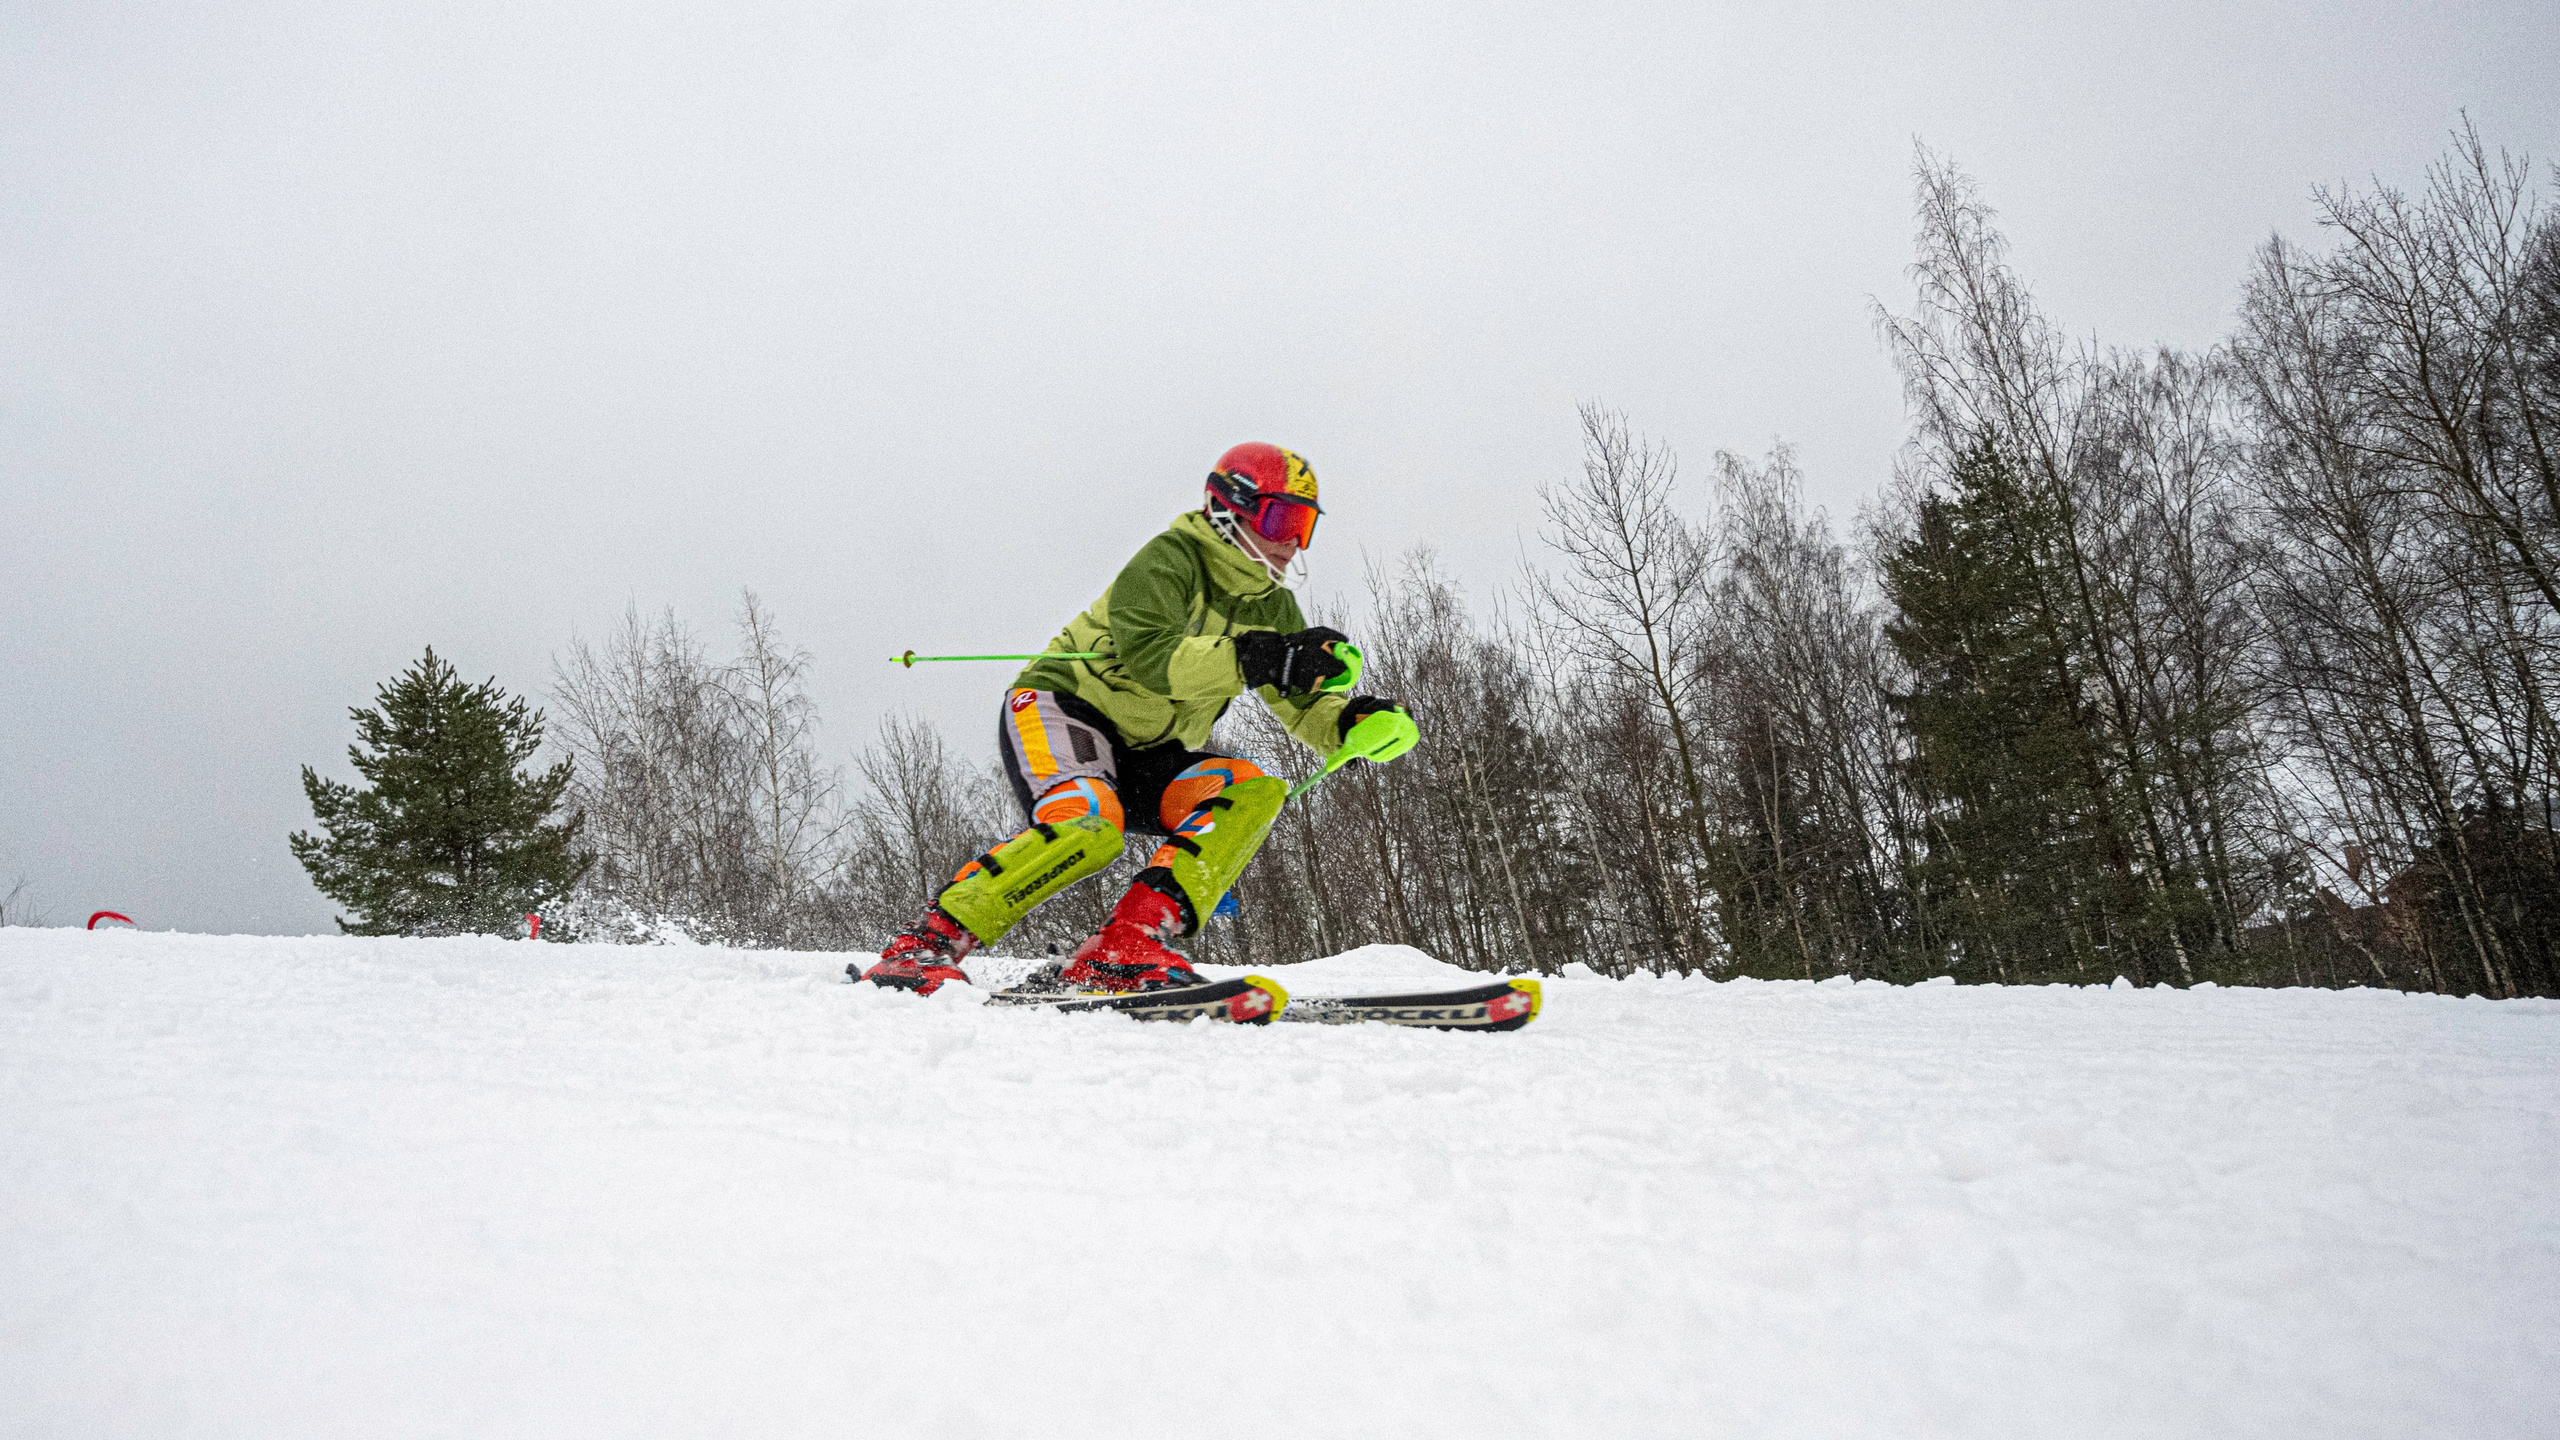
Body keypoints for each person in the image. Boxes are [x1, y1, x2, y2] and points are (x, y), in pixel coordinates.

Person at [856, 442, 1419, 996]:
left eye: (1305, 526)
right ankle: (926, 945)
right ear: (1229, 509)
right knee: (1090, 824)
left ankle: (1124, 946)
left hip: (1149, 751)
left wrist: (1353, 723)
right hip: (1064, 706)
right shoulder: (1169, 561)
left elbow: (1302, 706)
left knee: (1251, 789)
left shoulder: (1273, 607)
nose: (1292, 544)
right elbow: (1153, 658)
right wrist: (1259, 658)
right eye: (1280, 519)